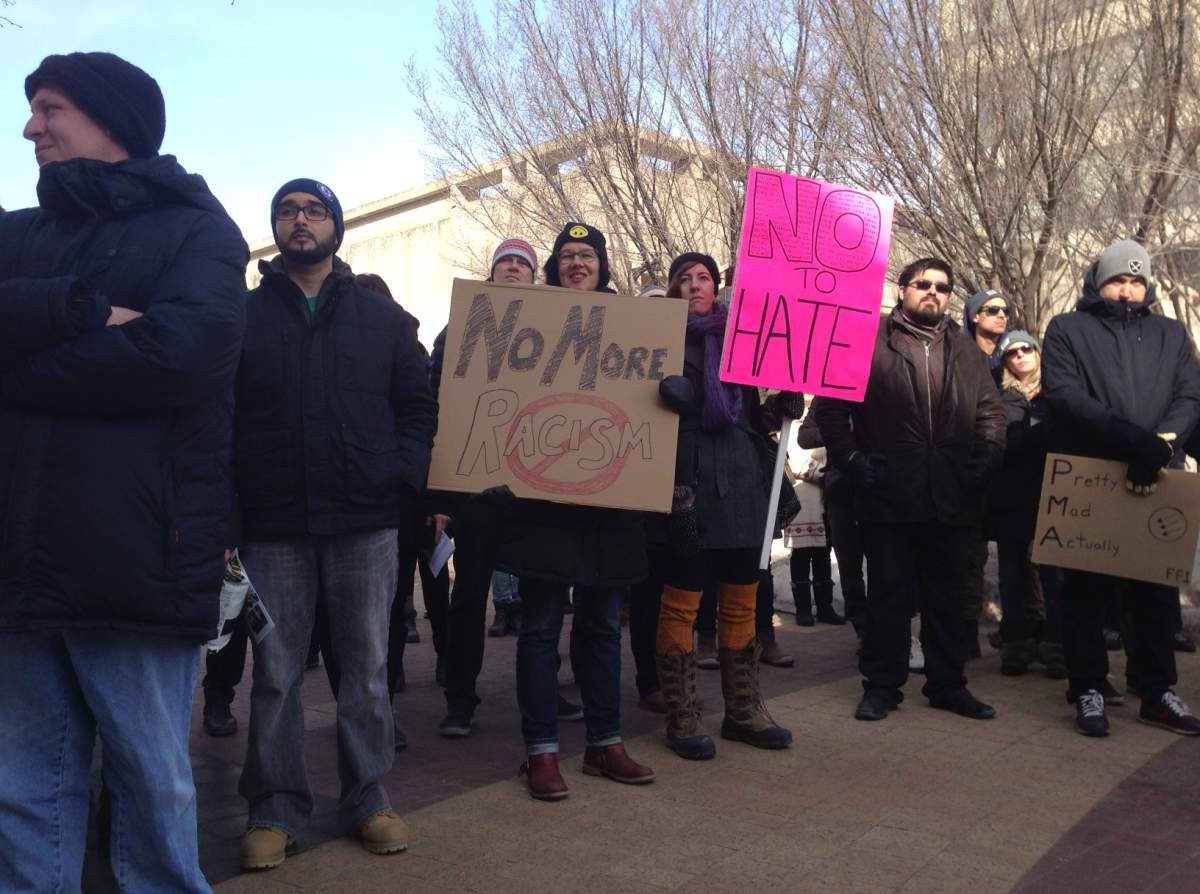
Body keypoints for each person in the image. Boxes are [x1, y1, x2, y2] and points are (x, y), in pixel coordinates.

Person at [0, 52, 246, 892]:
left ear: (112, 120)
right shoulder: (18, 233)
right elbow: (128, 353)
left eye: (50, 107)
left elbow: (179, 358)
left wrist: (17, 367)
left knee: (152, 787)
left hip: (135, 561)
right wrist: (77, 311)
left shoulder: (198, 232)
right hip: (19, 564)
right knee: (25, 791)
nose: (30, 125)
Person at [234, 178, 436, 868]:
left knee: (367, 669)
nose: (299, 220)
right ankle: (274, 806)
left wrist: (401, 475)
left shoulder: (382, 320)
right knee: (276, 672)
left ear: (336, 226)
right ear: (276, 228)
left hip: (365, 522)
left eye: (313, 210)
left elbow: (418, 406)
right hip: (273, 525)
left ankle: (368, 795)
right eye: (287, 210)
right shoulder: (244, 317)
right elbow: (218, 420)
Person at [494, 222, 659, 798]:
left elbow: (652, 401)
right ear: (554, 267)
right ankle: (541, 752)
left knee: (603, 626)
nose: (576, 263)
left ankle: (604, 742)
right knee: (540, 629)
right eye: (566, 256)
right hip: (542, 504)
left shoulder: (639, 328)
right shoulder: (527, 319)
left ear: (601, 265)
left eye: (587, 255)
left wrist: (673, 392)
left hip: (609, 505)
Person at [815, 257, 1006, 722]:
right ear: (901, 290)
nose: (933, 292)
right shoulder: (867, 340)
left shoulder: (966, 352)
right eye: (923, 284)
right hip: (887, 494)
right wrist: (855, 461)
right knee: (888, 597)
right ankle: (882, 686)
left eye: (943, 287)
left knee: (947, 597)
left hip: (950, 496)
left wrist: (978, 469)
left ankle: (947, 684)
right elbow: (832, 410)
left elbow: (991, 416)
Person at [1041, 239, 1200, 737]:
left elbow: (1190, 393)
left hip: (1157, 473)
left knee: (1154, 594)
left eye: (1136, 281)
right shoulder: (1067, 329)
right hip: (1094, 476)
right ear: (1098, 282)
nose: (1127, 290)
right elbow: (1066, 395)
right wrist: (1133, 440)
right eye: (1118, 280)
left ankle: (1155, 690)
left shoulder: (1171, 333)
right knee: (1085, 592)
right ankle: (1088, 686)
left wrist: (1161, 442)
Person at [653, 251, 795, 761]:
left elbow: (754, 416)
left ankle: (743, 708)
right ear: (672, 290)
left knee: (742, 594)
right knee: (684, 595)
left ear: (717, 287)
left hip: (741, 481)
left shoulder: (745, 341)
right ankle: (683, 711)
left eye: (704, 278)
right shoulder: (655, 338)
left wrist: (782, 405)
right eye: (684, 279)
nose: (695, 285)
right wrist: (660, 395)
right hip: (684, 482)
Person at [984, 331, 1064, 678]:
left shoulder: (1060, 394)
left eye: (1026, 348)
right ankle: (1016, 646)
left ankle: (1057, 647)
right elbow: (1006, 445)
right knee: (1013, 576)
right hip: (1013, 501)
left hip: (1057, 498)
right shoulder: (1002, 401)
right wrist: (1046, 432)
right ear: (1005, 362)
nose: (1020, 356)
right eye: (1012, 353)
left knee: (1056, 577)